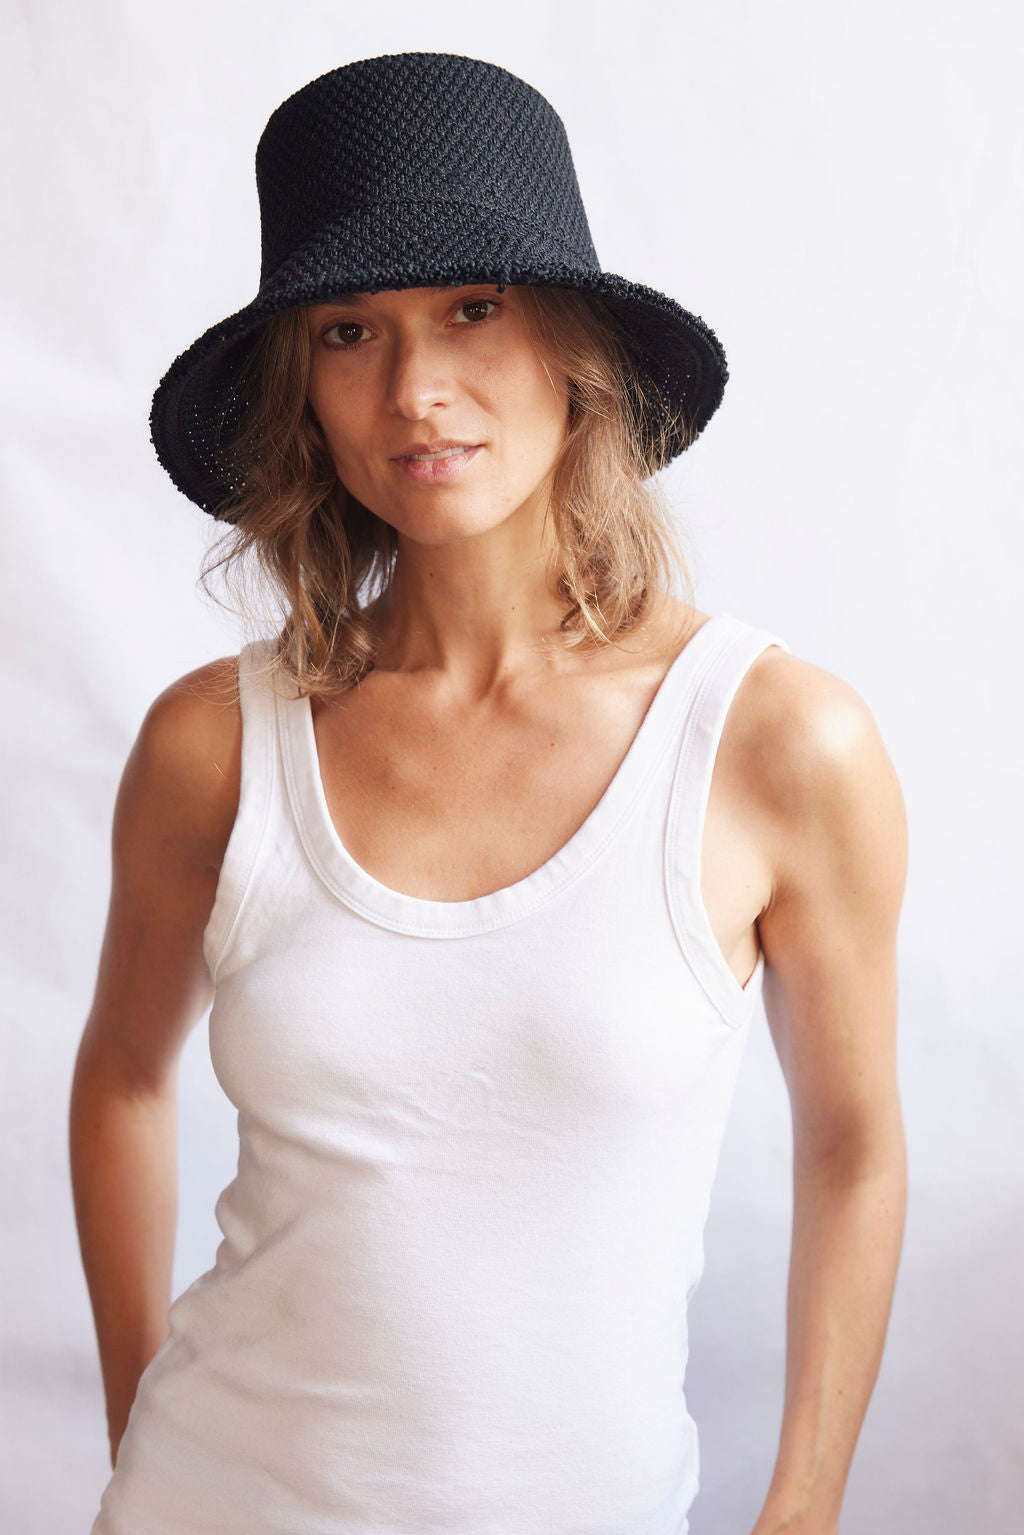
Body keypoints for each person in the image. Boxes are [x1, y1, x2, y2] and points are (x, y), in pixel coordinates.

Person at [70, 51, 908, 1535]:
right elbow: (124, 1078)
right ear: (303, 393)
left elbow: (852, 1146)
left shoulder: (775, 743)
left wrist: (807, 1503)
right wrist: (140, 1425)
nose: (417, 391)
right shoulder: (216, 743)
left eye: (473, 310)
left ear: (575, 348)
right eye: (349, 331)